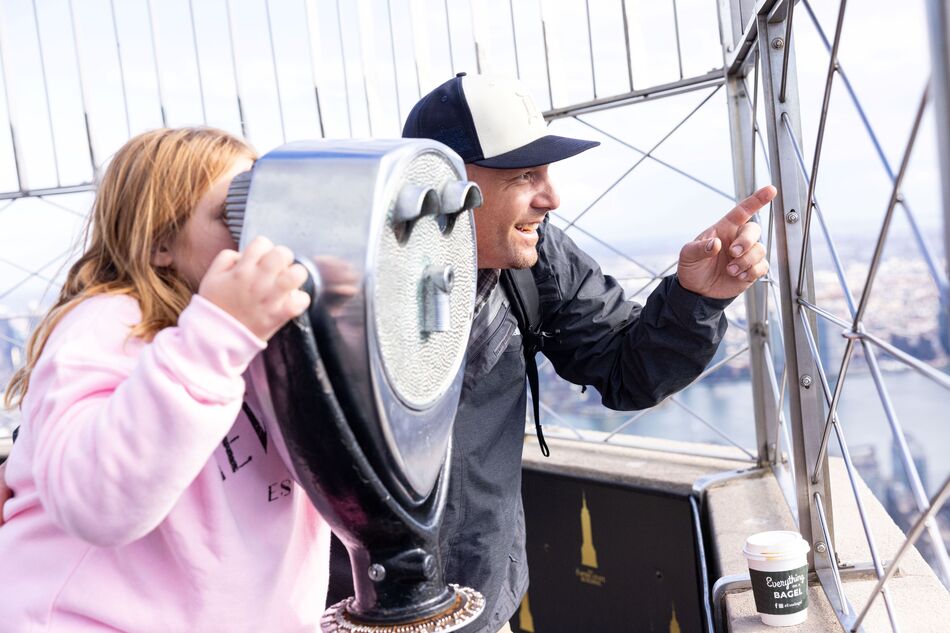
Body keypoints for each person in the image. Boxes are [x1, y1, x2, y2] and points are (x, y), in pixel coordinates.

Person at [344, 73, 772, 632]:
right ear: (444, 179)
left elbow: (627, 371)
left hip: (480, 595)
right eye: (526, 175)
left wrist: (696, 300)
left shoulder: (538, 258)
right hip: (357, 607)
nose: (551, 198)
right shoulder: (350, 285)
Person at [0, 128, 331, 631]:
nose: (259, 232)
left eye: (265, 203)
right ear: (159, 242)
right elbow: (96, 501)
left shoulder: (266, 336)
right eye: (233, 213)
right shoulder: (108, 324)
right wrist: (220, 334)